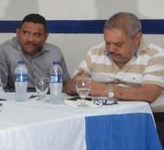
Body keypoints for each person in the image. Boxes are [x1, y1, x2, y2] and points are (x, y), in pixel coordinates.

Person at [65, 12, 164, 142]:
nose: (111, 49)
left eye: (118, 44)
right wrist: (74, 85)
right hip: (102, 120)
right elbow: (71, 85)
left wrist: (104, 90)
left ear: (137, 38)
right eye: (107, 43)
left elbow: (148, 94)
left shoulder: (156, 55)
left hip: (147, 122)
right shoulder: (95, 52)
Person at [0, 13, 70, 91]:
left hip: (47, 97)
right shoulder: (3, 52)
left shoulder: (55, 53)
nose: (30, 39)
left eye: (37, 35)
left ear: (45, 37)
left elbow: (65, 84)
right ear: (18, 33)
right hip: (17, 97)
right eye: (26, 33)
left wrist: (73, 85)